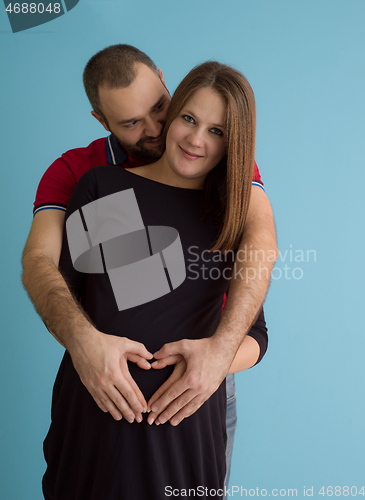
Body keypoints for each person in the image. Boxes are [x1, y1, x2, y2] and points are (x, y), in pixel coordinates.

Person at [22, 45, 276, 489]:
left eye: (162, 107)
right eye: (132, 122)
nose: (160, 129)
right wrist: (85, 343)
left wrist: (216, 359)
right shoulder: (92, 178)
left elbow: (260, 258)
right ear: (102, 121)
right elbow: (49, 270)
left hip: (197, 402)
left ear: (165, 83)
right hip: (101, 403)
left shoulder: (227, 187)